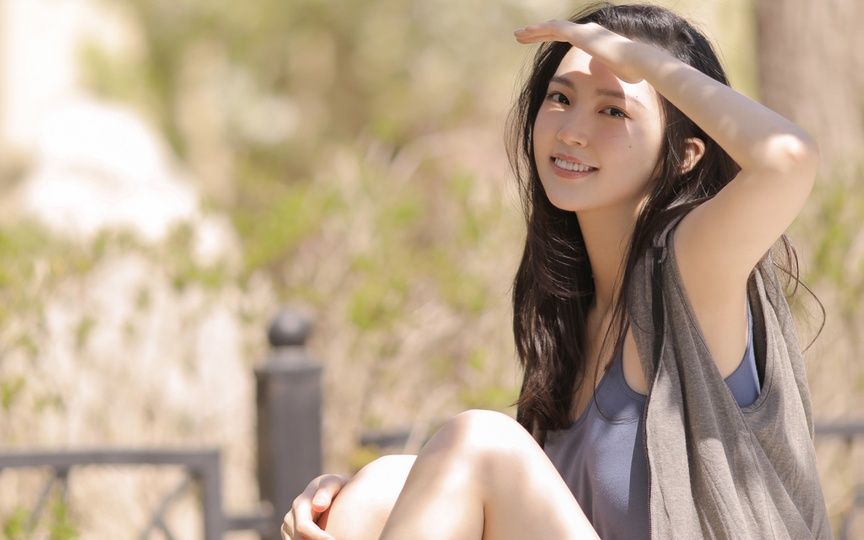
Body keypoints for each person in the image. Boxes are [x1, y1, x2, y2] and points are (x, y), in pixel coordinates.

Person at [281, 2, 831, 539]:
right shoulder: (571, 308)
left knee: (481, 442)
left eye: (613, 111)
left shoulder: (690, 270)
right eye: (561, 98)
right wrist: (363, 502)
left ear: (687, 154)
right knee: (378, 487)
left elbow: (787, 157)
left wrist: (641, 60)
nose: (571, 131)